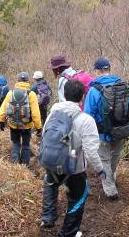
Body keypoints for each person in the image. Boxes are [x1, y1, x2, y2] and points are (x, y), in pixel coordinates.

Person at [40, 79, 105, 237]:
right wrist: (100, 170)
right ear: (82, 97)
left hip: (51, 160)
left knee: (51, 183)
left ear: (64, 94)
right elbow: (90, 151)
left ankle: (48, 217)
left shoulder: (53, 113)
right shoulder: (86, 120)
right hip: (73, 165)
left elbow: (45, 135)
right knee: (78, 199)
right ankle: (68, 234)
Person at [83, 57, 129, 200]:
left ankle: (110, 190)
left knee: (104, 160)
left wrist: (86, 134)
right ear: (109, 69)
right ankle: (111, 177)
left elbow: (87, 115)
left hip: (103, 133)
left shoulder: (94, 90)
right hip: (122, 130)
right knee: (115, 156)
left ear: (97, 71)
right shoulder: (124, 86)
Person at [0, 72, 42, 166]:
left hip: (13, 124)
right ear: (27, 81)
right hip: (26, 125)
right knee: (26, 146)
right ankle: (25, 166)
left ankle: (15, 165)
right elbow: (35, 114)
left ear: (17, 81)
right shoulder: (31, 94)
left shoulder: (11, 93)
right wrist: (39, 127)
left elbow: (3, 108)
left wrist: (1, 121)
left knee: (15, 143)